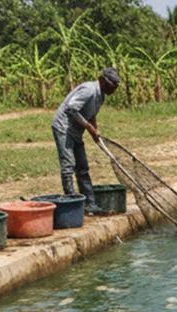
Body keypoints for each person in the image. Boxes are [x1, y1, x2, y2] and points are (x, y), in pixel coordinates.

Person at [52, 67, 119, 214]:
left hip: (76, 131)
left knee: (83, 167)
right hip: (64, 127)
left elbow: (92, 114)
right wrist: (89, 127)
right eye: (110, 86)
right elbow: (72, 109)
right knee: (68, 165)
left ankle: (90, 204)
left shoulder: (101, 96)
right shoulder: (89, 90)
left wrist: (95, 130)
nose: (113, 90)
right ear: (102, 80)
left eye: (115, 88)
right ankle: (72, 203)